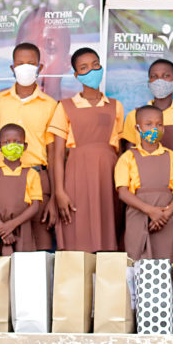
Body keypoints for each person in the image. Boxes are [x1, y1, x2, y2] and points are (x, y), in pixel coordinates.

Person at [49, 47, 124, 252]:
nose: (91, 70)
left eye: (95, 65)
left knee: (108, 233)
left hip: (108, 176)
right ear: (76, 75)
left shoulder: (115, 106)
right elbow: (58, 155)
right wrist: (59, 192)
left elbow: (119, 151)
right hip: (76, 176)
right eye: (84, 67)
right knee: (77, 233)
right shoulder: (64, 106)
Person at [0, 42, 57, 250]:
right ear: (12, 68)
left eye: (31, 63)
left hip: (38, 178)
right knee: (4, 242)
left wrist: (54, 197)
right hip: (3, 179)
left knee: (39, 243)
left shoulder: (51, 105)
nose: (25, 67)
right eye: (20, 63)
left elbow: (53, 153)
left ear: (40, 67)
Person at [115, 105, 173, 262]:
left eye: (159, 124)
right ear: (137, 128)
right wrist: (150, 211)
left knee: (164, 259)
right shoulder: (127, 158)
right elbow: (123, 192)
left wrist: (165, 214)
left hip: (165, 219)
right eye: (148, 124)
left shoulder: (172, 157)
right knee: (136, 258)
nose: (154, 128)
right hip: (137, 216)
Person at [0, 123, 42, 255]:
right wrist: (3, 228)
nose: (12, 146)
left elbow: (35, 206)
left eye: (17, 142)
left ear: (25, 146)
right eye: (6, 142)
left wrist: (11, 225)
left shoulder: (32, 174)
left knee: (22, 265)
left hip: (22, 228)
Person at [122, 59, 173, 154]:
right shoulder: (134, 116)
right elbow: (128, 154)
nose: (159, 80)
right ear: (149, 83)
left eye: (166, 76)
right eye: (154, 76)